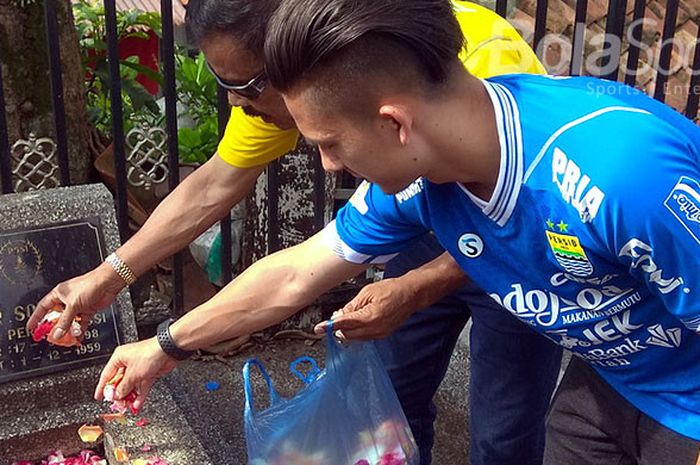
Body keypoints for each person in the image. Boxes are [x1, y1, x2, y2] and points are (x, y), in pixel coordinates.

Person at [33, 1, 559, 463]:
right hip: (423, 221)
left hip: (528, 240)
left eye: (245, 86)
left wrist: (421, 285)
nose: (330, 166)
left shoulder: (477, 73)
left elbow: (535, 218)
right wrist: (123, 291)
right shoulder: (390, 187)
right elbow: (282, 255)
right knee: (390, 400)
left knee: (505, 429)